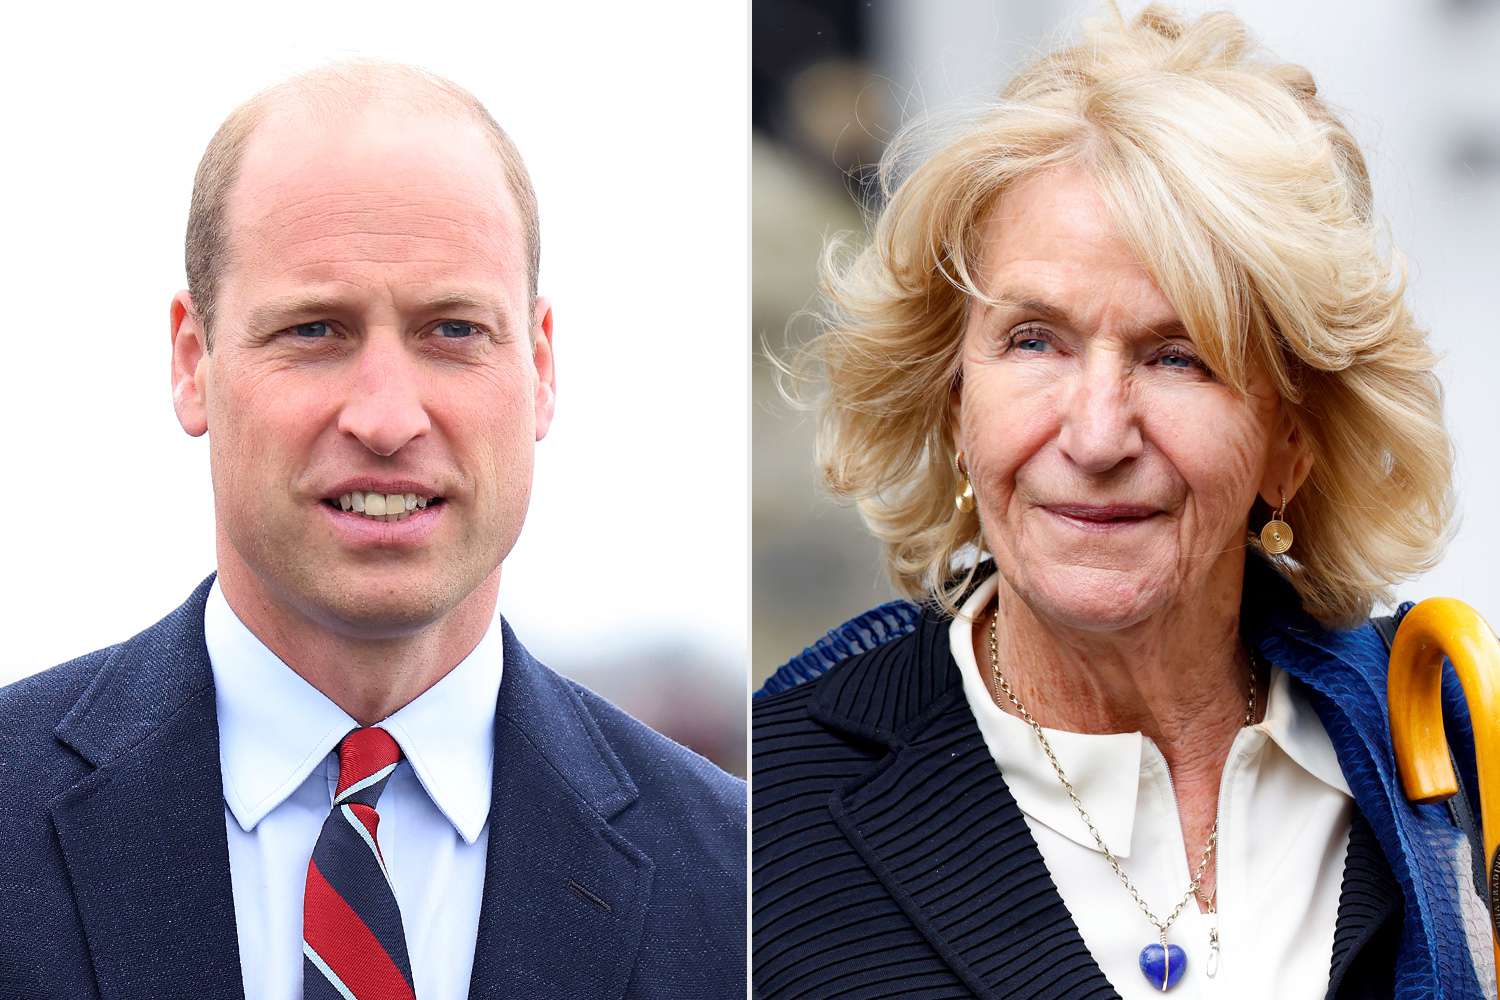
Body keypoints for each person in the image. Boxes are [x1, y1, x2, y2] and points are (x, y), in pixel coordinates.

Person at [753, 7, 1488, 999]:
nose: (1096, 435)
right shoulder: (768, 810)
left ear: (1294, 434)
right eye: (1034, 341)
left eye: (1179, 356)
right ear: (952, 393)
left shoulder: (1438, 746)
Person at [0, 62, 744, 1000]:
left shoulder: (738, 886)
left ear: (541, 365)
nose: (387, 418)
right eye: (315, 330)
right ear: (193, 362)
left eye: (454, 330)